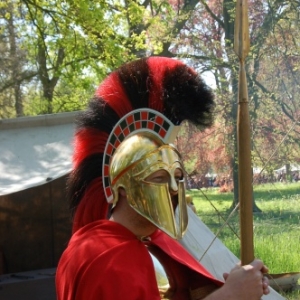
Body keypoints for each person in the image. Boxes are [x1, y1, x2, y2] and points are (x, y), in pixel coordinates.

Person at [56, 57, 270, 300]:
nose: (172, 188)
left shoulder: (152, 243)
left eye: (177, 177)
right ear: (124, 186)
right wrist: (231, 295)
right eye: (158, 178)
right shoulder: (105, 255)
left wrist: (239, 285)